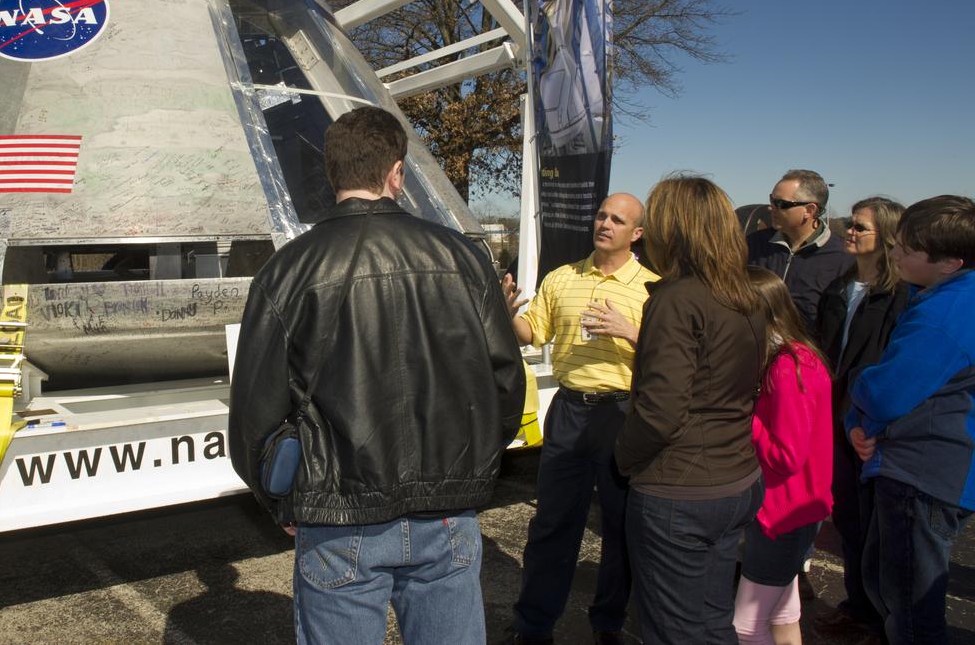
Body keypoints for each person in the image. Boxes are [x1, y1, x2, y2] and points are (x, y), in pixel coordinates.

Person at [227, 106, 525, 645]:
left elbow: (255, 410)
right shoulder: (464, 258)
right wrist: (472, 469)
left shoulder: (288, 269)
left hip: (339, 514)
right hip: (446, 511)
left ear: (332, 173)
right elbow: (505, 385)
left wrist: (279, 498)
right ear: (396, 173)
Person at [613, 175, 765, 645]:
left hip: (682, 490)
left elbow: (661, 412)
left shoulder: (678, 299)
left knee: (672, 629)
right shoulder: (744, 294)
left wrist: (623, 458)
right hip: (735, 478)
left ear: (671, 231)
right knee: (712, 621)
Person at [502, 193, 658, 645]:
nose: (605, 224)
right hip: (570, 411)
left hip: (625, 414)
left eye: (617, 219)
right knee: (552, 524)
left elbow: (670, 356)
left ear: (637, 233)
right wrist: (505, 313)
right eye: (601, 215)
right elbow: (534, 334)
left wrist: (633, 332)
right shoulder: (562, 278)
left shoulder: (654, 286)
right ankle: (533, 626)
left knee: (620, 526)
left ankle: (608, 623)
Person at [846, 195, 975, 644]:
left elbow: (886, 391)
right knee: (889, 586)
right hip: (924, 462)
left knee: (910, 608)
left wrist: (860, 380)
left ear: (949, 262)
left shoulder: (945, 314)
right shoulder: (944, 295)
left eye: (906, 248)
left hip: (923, 471)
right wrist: (858, 424)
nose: (895, 254)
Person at [812, 197, 909, 637]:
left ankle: (883, 613)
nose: (849, 231)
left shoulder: (901, 296)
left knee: (878, 528)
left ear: (886, 236)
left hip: (872, 427)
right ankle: (859, 606)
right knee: (849, 518)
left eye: (860, 227)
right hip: (833, 419)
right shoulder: (840, 287)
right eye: (850, 224)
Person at [733, 267, 833, 645]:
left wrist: (744, 415)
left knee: (745, 625)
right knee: (783, 612)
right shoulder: (794, 359)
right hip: (793, 509)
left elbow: (786, 455)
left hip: (782, 512)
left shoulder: (789, 367)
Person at [747, 169, 853, 328]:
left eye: (781, 203)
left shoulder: (843, 258)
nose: (771, 207)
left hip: (805, 350)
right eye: (772, 199)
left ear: (809, 210)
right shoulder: (753, 244)